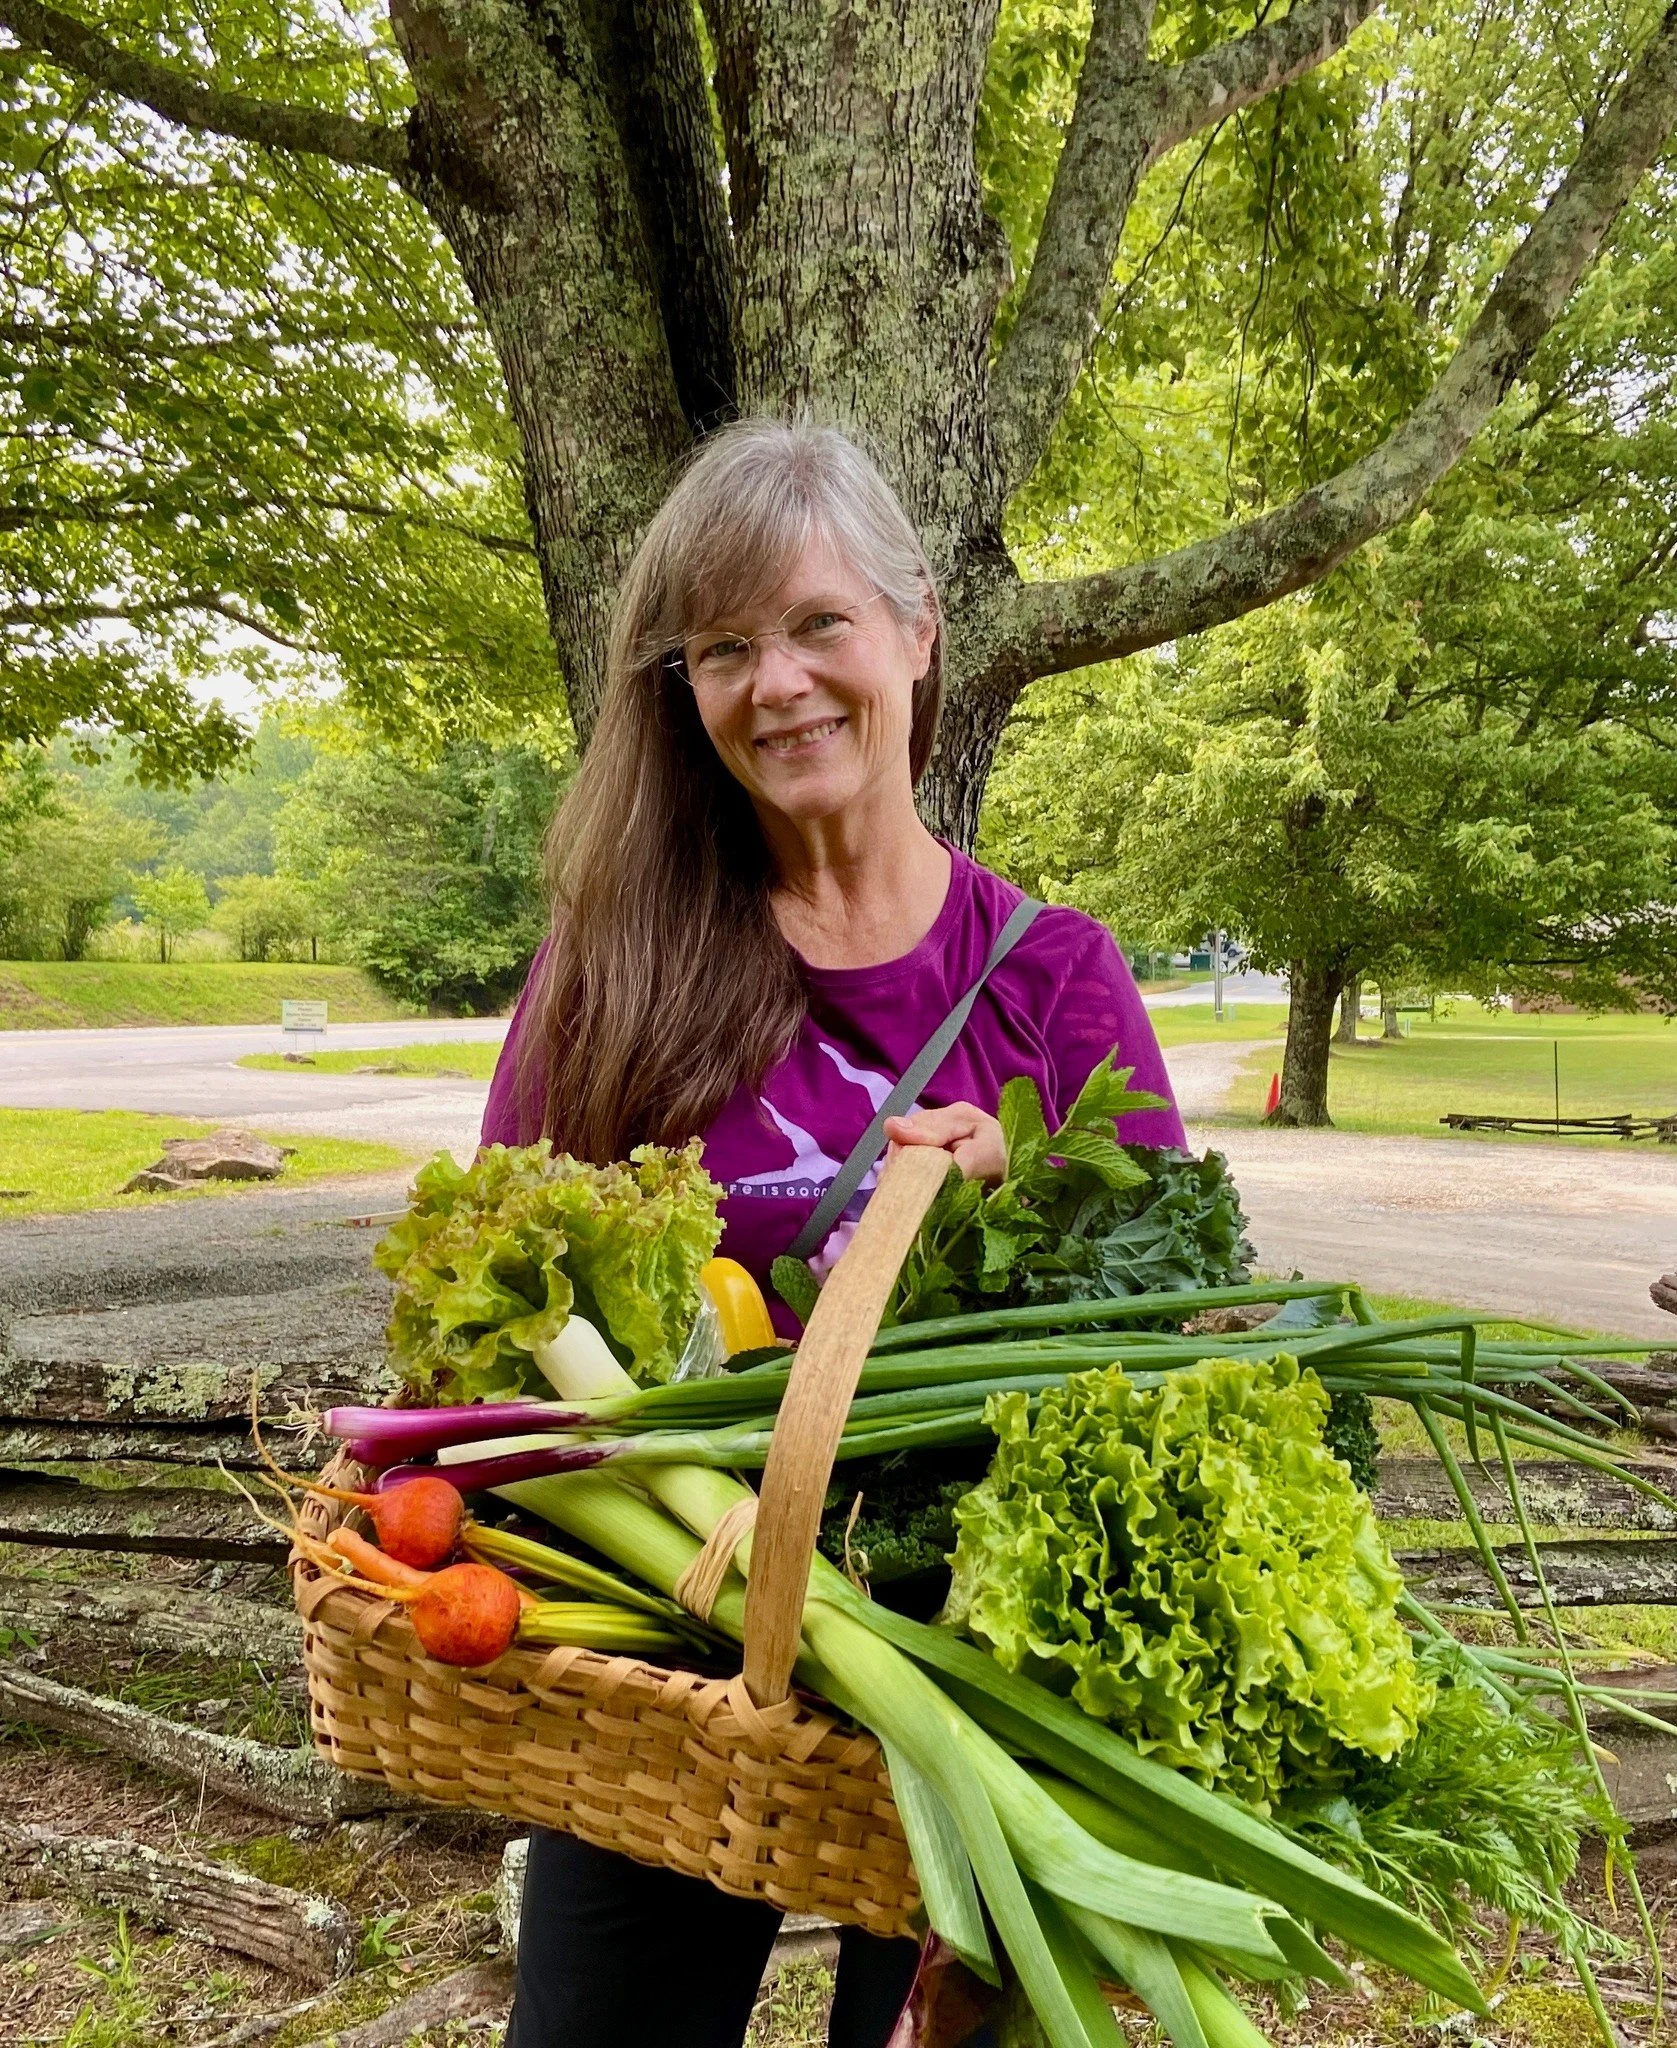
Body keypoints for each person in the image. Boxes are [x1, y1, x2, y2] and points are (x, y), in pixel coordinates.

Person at [482, 420, 1186, 2048]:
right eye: (725, 647)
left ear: (917, 634)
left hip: (970, 1677)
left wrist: (1039, 1196)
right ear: (689, 691)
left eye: (817, 624)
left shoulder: (1054, 975)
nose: (779, 682)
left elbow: (1183, 1315)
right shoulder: (620, 961)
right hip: (661, 1657)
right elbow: (499, 1299)